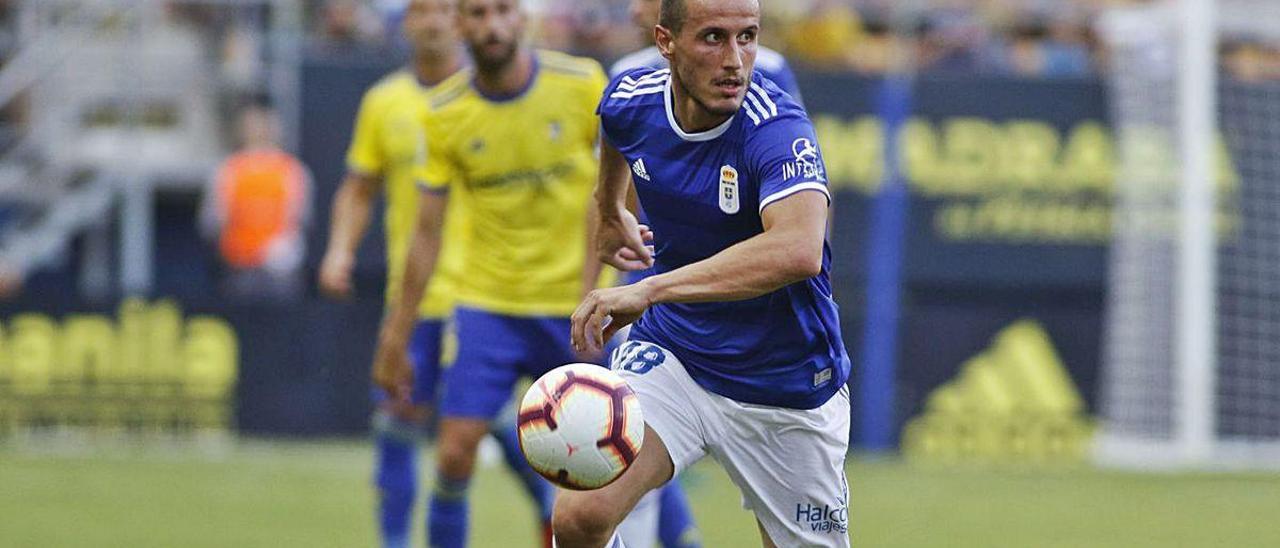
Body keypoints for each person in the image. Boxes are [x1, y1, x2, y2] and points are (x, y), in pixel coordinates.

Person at [556, 0, 851, 546]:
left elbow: (799, 249)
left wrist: (648, 290)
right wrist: (607, 210)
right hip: (675, 357)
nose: (736, 60)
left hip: (784, 383)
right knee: (579, 518)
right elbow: (615, 126)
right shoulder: (631, 97)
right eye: (714, 38)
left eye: (748, 36)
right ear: (666, 42)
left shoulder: (777, 126)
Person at [370, 0, 619, 546]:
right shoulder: (444, 113)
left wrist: (591, 291)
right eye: (477, 14)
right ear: (460, 25)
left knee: (616, 455)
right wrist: (397, 333)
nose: (491, 26)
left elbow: (612, 190)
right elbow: (426, 234)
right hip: (489, 305)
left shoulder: (581, 84)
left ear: (523, 18)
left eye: (502, 10)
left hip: (573, 304)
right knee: (454, 453)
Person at [317, 1, 552, 546]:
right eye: (419, 11)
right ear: (407, 24)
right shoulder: (385, 102)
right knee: (398, 422)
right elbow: (359, 187)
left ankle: (554, 512)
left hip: (482, 294)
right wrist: (338, 251)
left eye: (444, 10)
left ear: (461, 23)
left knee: (470, 434)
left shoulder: (500, 97)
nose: (432, 22)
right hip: (416, 296)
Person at [201, 101, 311, 301]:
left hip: (279, 267)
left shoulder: (290, 170)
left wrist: (282, 249)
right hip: (238, 265)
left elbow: (299, 216)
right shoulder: (229, 169)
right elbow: (213, 219)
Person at [611, 0, 803, 103]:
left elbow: (801, 156)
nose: (635, 11)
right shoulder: (628, 75)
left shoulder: (770, 69)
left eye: (648, 0)